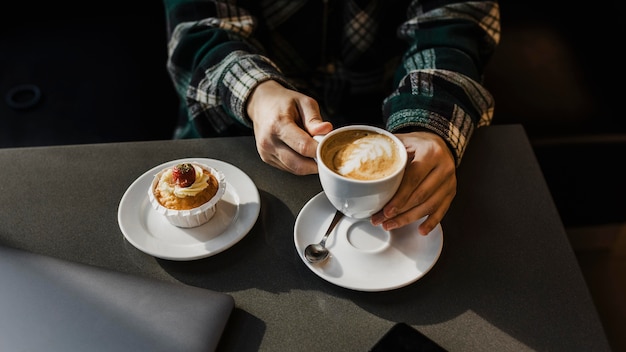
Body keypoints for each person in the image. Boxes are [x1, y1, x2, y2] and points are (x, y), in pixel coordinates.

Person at [162, 0, 501, 235]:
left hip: (394, 120)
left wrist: (429, 124)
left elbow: (454, 20)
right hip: (234, 128)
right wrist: (255, 91)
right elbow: (197, 26)